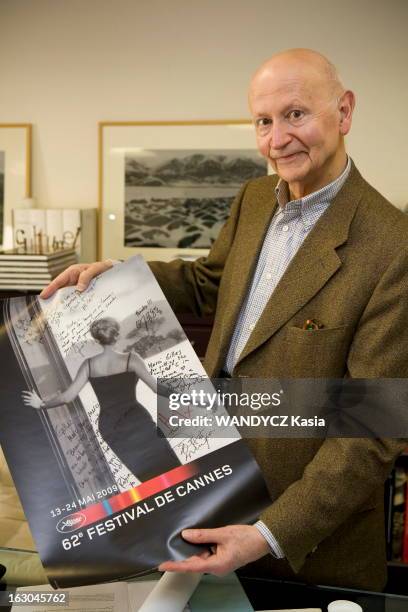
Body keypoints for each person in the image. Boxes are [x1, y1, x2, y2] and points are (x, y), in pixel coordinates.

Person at [40, 48, 408, 591]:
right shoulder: (255, 199)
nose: (277, 139)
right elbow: (213, 283)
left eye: (296, 114)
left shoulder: (393, 246)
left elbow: (372, 431)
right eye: (264, 121)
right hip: (204, 487)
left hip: (304, 542)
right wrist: (117, 277)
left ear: (345, 112)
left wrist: (268, 533)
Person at [22, 317, 180, 482]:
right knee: (170, 468)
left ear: (97, 340)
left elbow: (67, 397)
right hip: (137, 421)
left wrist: (41, 404)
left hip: (110, 426)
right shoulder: (132, 359)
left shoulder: (89, 365)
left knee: (147, 477)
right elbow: (157, 388)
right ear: (117, 335)